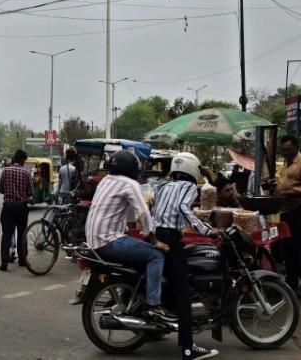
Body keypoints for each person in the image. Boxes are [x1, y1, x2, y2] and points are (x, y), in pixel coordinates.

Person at [85, 150, 175, 322]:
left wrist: (130, 229)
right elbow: (143, 212)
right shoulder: (130, 183)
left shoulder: (106, 180)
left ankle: (138, 294)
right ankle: (153, 306)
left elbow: (126, 212)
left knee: (140, 250)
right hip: (108, 241)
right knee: (155, 255)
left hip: (93, 240)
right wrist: (154, 240)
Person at [151, 152, 219, 360]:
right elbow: (183, 207)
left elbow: (154, 208)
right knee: (183, 292)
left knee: (170, 283)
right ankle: (188, 349)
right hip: (171, 239)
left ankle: (160, 327)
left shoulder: (162, 185)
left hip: (157, 236)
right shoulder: (189, 187)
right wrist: (206, 230)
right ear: (192, 169)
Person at [276, 135, 301, 298]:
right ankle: (291, 281)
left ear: (296, 148)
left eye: (288, 149)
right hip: (288, 210)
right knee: (288, 247)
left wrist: (288, 192)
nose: (285, 153)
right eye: (283, 150)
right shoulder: (286, 162)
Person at [0, 149, 32, 271]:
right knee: (22, 234)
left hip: (8, 206)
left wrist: (9, 192)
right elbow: (30, 193)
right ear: (22, 160)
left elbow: (0, 189)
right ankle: (22, 260)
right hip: (22, 207)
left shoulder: (5, 171)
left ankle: (4, 261)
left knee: (6, 234)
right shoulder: (26, 173)